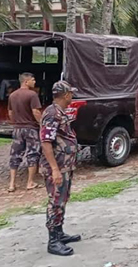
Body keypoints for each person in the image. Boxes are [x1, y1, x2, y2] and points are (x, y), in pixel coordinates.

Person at [39, 81, 81, 256]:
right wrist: (54, 169)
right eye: (71, 93)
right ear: (65, 95)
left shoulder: (59, 112)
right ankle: (53, 241)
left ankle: (59, 233)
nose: (72, 95)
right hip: (56, 167)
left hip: (65, 166)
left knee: (62, 199)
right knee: (55, 202)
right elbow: (46, 142)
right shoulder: (51, 113)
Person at [7, 72, 43, 192]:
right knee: (32, 154)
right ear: (26, 81)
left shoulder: (12, 95)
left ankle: (12, 184)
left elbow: (10, 113)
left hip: (17, 129)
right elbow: (36, 112)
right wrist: (42, 124)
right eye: (33, 80)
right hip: (31, 129)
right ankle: (30, 182)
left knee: (15, 155)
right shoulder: (32, 95)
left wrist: (15, 123)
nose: (35, 82)